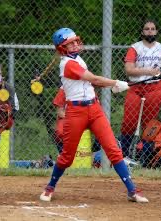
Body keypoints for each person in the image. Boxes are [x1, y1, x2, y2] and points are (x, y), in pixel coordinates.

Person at [40, 27, 149, 203]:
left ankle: (132, 191)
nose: (76, 44)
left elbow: (89, 84)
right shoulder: (67, 64)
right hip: (75, 113)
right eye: (71, 43)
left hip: (95, 109)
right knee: (67, 157)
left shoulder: (78, 59)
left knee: (113, 150)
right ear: (62, 48)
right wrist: (116, 83)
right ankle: (50, 187)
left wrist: (113, 85)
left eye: (76, 41)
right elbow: (94, 79)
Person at [119, 19, 161, 157]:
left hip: (154, 88)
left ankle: (144, 155)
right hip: (136, 87)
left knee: (149, 123)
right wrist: (149, 72)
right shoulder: (135, 47)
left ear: (156, 31)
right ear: (142, 32)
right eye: (147, 29)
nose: (150, 31)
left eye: (152, 29)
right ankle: (124, 154)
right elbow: (129, 70)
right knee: (129, 121)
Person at [0, 64, 19, 138]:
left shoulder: (9, 88)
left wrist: (7, 111)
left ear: (2, 76)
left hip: (3, 125)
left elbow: (16, 107)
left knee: (3, 147)